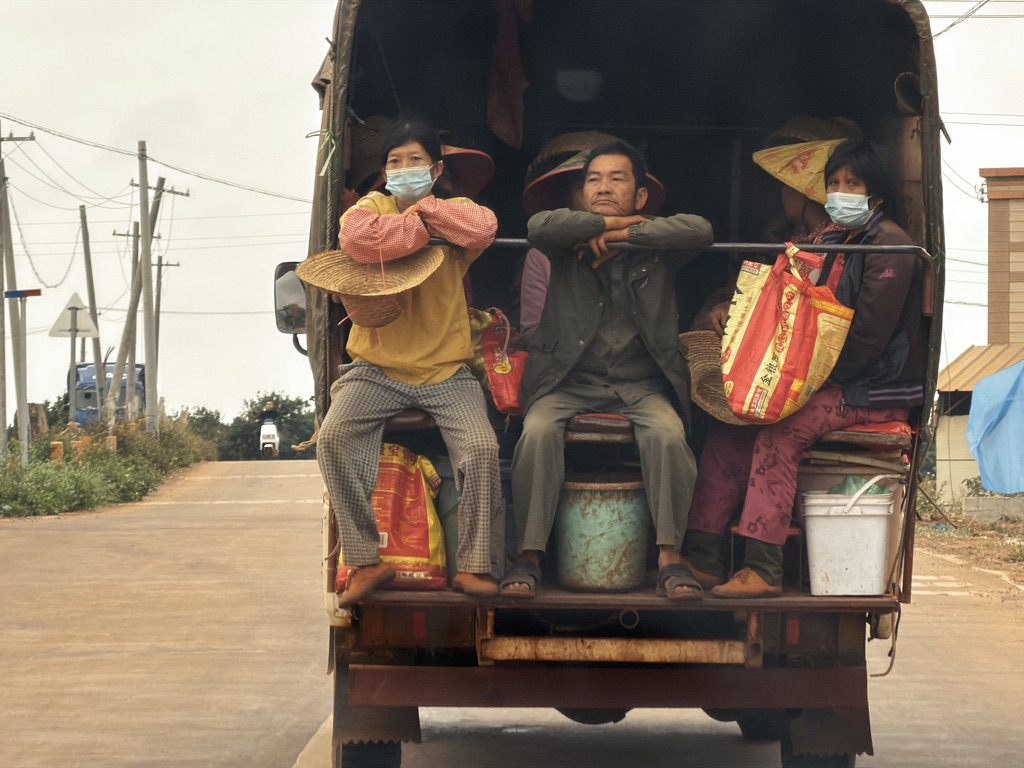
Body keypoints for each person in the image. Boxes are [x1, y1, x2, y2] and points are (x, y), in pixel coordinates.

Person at [682, 138, 924, 598]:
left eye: (852, 183)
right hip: (823, 379)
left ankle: (764, 568)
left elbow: (868, 341)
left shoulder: (890, 244)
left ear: (876, 193)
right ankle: (704, 557)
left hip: (869, 388)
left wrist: (804, 387)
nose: (840, 191)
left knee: (779, 432)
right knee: (730, 429)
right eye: (834, 182)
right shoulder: (833, 239)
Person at [501, 139, 715, 599]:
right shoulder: (564, 242)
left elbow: (700, 230)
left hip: (640, 385)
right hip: (568, 382)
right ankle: (529, 557)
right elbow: (539, 225)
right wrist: (605, 224)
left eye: (617, 178)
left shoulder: (659, 245)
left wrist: (626, 234)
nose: (603, 186)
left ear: (641, 197)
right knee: (536, 432)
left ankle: (670, 562)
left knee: (669, 436)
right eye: (593, 179)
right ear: (580, 193)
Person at [303, 118, 503, 606]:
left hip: (447, 371)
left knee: (480, 450)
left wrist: (423, 211)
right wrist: (424, 226)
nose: (403, 169)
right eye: (394, 162)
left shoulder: (457, 208)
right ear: (385, 170)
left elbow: (484, 228)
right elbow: (360, 239)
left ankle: (475, 567)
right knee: (332, 438)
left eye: (415, 161)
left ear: (435, 169)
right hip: (376, 369)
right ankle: (365, 559)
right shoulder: (372, 205)